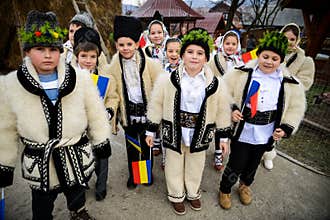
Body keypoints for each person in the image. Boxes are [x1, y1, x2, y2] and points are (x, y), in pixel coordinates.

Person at [0, 10, 111, 220]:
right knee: (42, 202)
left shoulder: (79, 78)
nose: (48, 55)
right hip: (41, 160)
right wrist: (4, 163)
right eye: (40, 49)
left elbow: (95, 111)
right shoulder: (11, 85)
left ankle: (78, 212)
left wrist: (101, 139)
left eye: (53, 49)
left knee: (77, 191)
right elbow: (5, 128)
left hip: (74, 153)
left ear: (61, 50)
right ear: (27, 52)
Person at [145, 28, 232, 215]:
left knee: (196, 165)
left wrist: (223, 138)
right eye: (190, 52)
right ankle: (176, 194)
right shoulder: (167, 79)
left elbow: (223, 110)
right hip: (174, 130)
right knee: (173, 164)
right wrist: (151, 131)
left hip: (200, 132)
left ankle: (193, 192)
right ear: (182, 55)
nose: (194, 57)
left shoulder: (216, 84)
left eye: (200, 53)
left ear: (206, 57)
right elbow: (156, 104)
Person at [218, 31, 306, 210]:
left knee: (253, 162)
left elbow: (295, 107)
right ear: (258, 55)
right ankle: (225, 188)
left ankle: (245, 185)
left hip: (266, 131)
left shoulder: (289, 83)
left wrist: (286, 128)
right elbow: (224, 92)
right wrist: (232, 109)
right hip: (244, 129)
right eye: (265, 56)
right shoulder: (240, 73)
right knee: (237, 161)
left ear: (281, 61)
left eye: (275, 59)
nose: (269, 61)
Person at [105, 15, 162, 189]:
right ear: (116, 45)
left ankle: (145, 174)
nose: (125, 48)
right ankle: (134, 175)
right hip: (128, 115)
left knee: (146, 146)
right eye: (121, 45)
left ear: (137, 44)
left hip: (147, 114)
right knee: (132, 147)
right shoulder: (112, 68)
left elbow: (159, 89)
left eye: (129, 44)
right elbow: (113, 92)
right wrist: (111, 111)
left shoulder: (151, 65)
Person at [262, 23, 315, 170]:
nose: (288, 42)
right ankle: (256, 151)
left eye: (292, 39)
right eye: (285, 38)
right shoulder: (272, 52)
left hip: (286, 99)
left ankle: (268, 154)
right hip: (266, 94)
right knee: (263, 123)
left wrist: (286, 80)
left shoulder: (305, 60)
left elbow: (305, 83)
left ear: (297, 40)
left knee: (277, 128)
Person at [73, 27, 112, 201]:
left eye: (92, 57)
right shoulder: (69, 78)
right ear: (76, 57)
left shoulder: (104, 77)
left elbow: (113, 96)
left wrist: (110, 110)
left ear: (98, 58)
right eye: (84, 56)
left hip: (99, 124)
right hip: (78, 126)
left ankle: (101, 185)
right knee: (81, 155)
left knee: (102, 155)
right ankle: (82, 181)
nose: (88, 61)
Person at [208, 30, 244, 171]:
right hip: (219, 96)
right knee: (219, 125)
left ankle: (223, 149)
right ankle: (217, 152)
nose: (230, 46)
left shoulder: (240, 62)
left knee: (229, 126)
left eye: (233, 44)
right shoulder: (215, 59)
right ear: (222, 44)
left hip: (234, 99)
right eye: (227, 43)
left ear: (238, 45)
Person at [143, 13, 169, 156]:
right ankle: (156, 140)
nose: (157, 36)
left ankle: (165, 141)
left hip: (166, 86)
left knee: (164, 113)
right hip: (152, 86)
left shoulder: (169, 48)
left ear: (164, 33)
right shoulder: (146, 50)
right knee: (154, 113)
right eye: (153, 33)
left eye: (159, 32)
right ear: (148, 35)